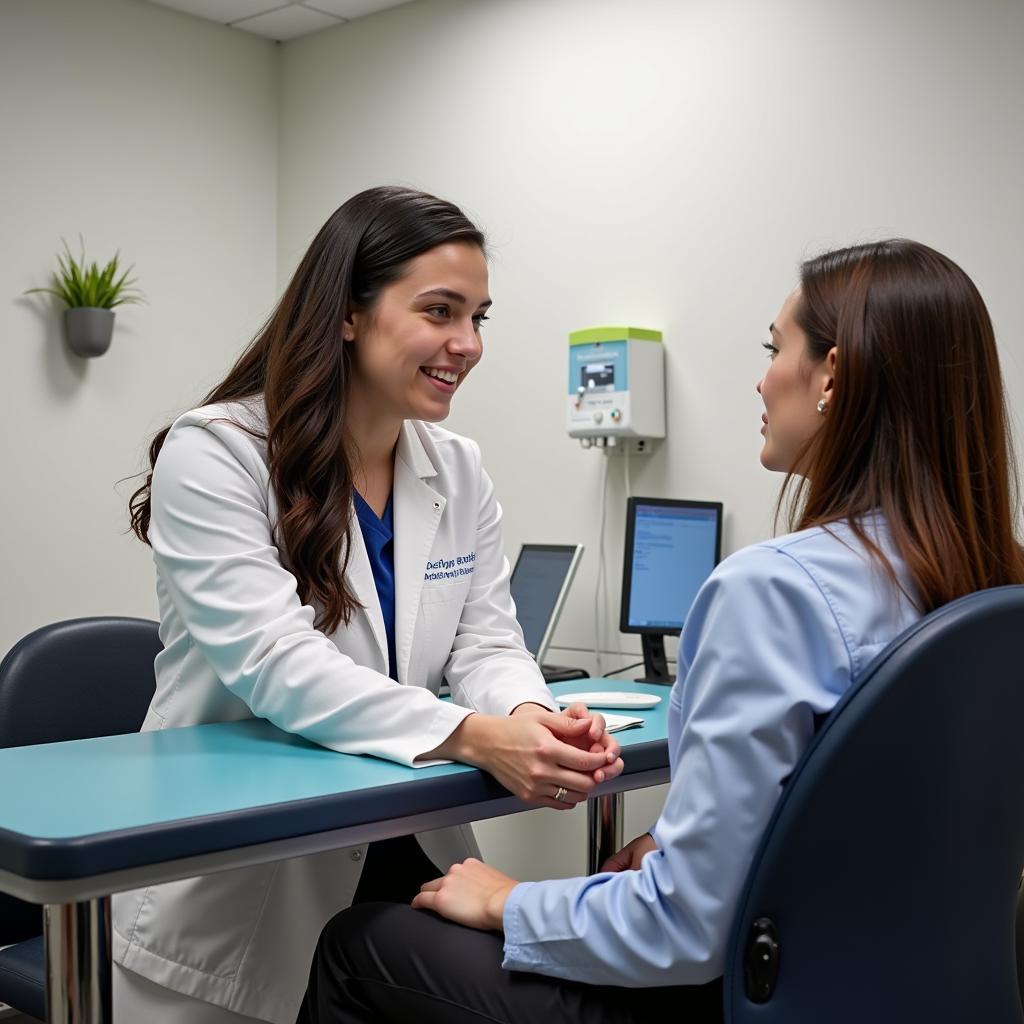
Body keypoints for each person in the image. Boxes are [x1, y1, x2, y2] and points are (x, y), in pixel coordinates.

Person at [300, 238, 1024, 1024]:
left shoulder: (773, 592)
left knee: (360, 941)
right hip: (926, 992)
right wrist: (724, 863)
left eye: (773, 347)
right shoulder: (999, 586)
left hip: (751, 996)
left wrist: (512, 900)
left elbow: (681, 931)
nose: (761, 375)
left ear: (834, 376)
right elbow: (885, 824)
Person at [115, 186, 623, 1024]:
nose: (467, 344)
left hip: (408, 846)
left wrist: (534, 719)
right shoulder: (218, 454)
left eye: (479, 317)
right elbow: (277, 664)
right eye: (439, 311)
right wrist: (476, 735)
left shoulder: (455, 466)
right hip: (251, 874)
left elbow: (486, 644)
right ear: (349, 314)